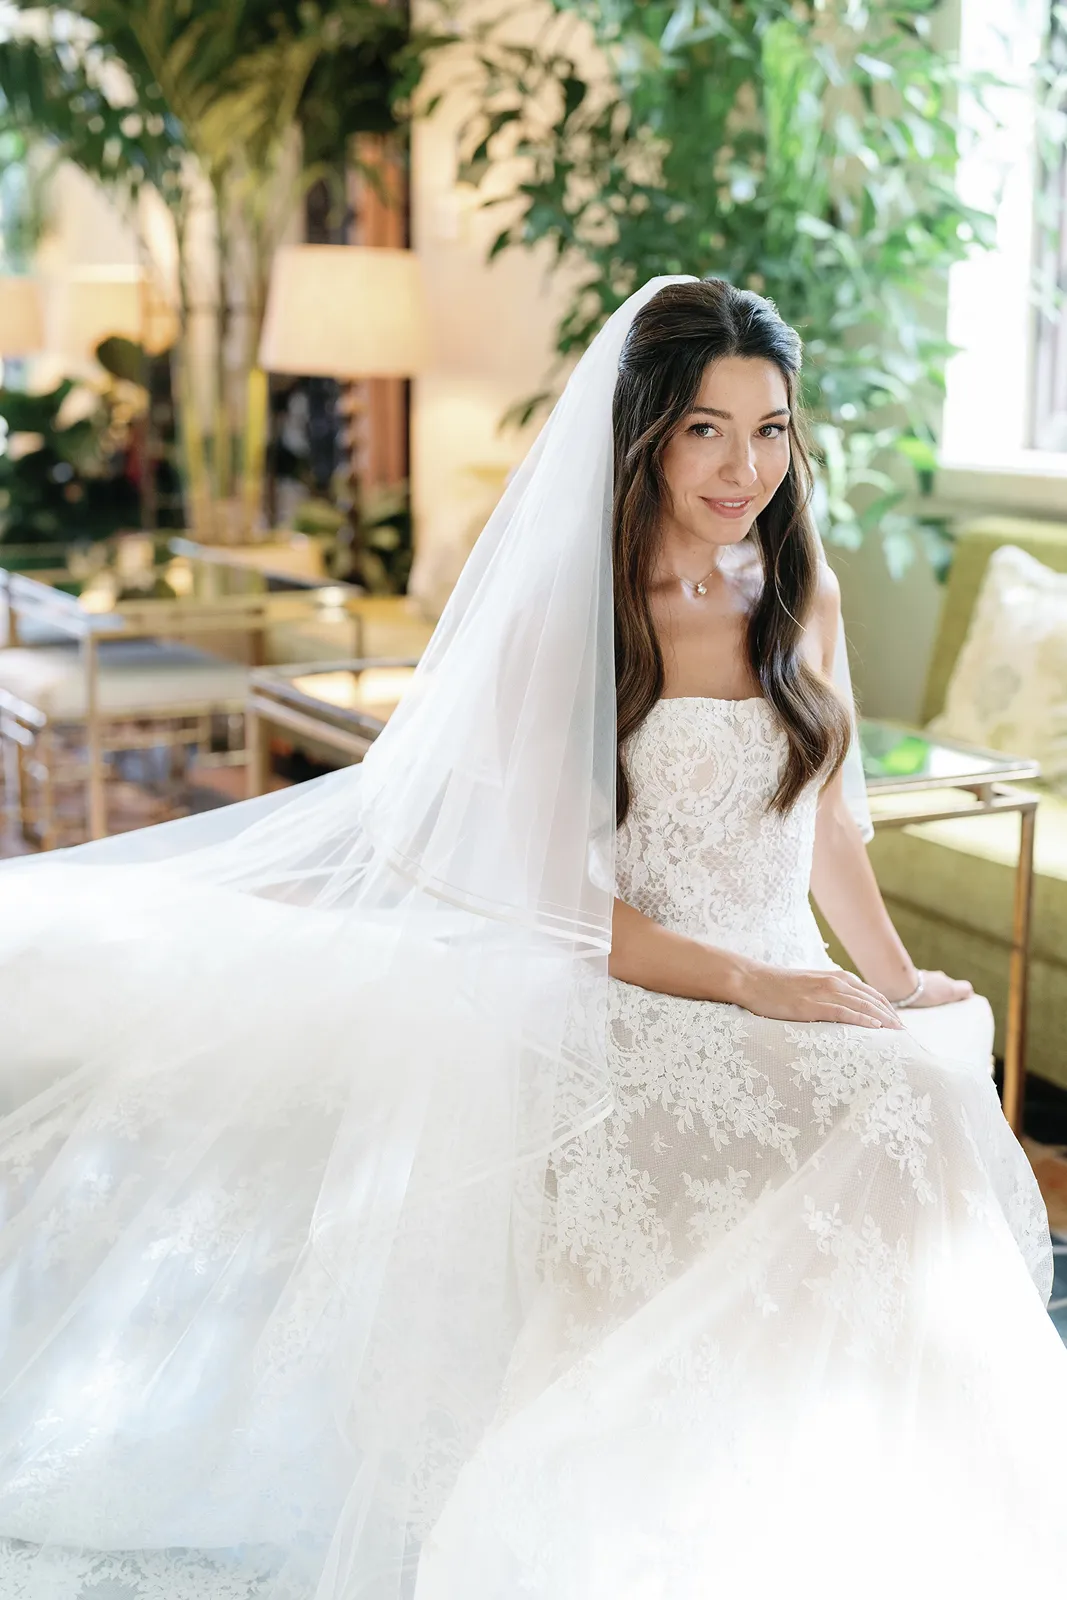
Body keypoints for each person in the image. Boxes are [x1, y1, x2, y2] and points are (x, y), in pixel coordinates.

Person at [0, 276, 1063, 1600]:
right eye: (704, 431)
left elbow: (826, 831)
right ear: (643, 435)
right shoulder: (579, 612)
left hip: (768, 975)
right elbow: (540, 894)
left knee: (921, 1069)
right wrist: (749, 982)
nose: (745, 468)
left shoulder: (804, 593)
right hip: (611, 980)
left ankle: (862, 1465)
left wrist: (892, 980)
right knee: (877, 1104)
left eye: (772, 429)